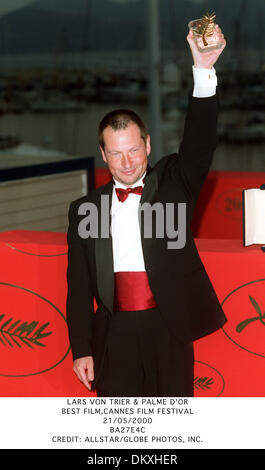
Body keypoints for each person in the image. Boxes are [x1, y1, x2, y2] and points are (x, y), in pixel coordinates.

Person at [66, 27, 227, 396]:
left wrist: (203, 68)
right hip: (112, 332)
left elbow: (200, 140)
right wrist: (82, 349)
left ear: (148, 145)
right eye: (117, 153)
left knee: (170, 426)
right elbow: (78, 289)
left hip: (168, 326)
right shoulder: (84, 210)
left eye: (134, 150)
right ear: (104, 155)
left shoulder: (174, 181)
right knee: (119, 428)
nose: (127, 163)